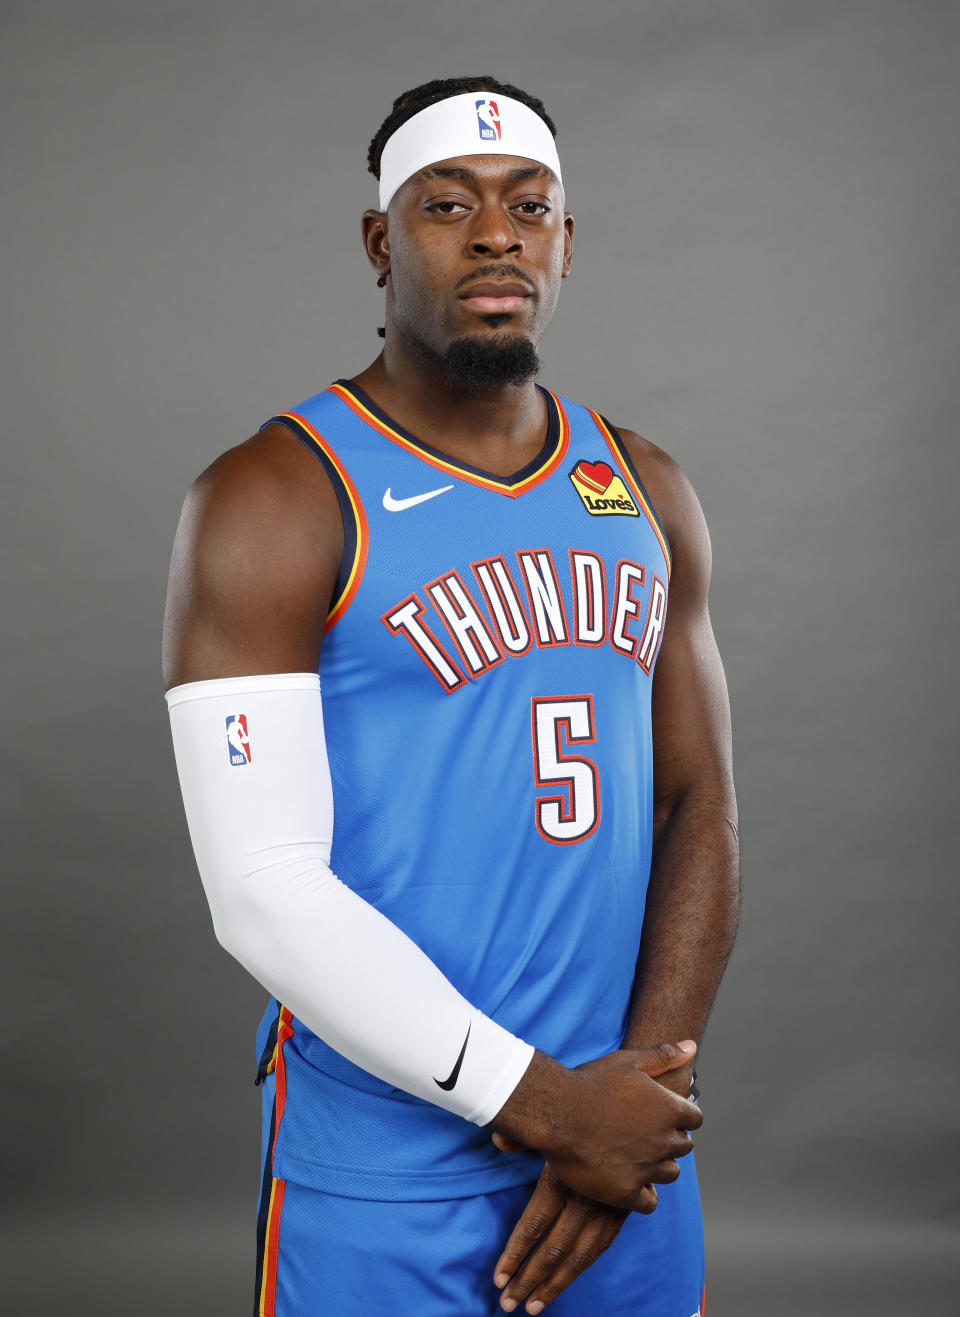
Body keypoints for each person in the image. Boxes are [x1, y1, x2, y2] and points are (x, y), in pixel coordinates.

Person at [162, 76, 739, 1317]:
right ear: (381, 242)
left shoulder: (642, 486)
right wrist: (551, 1110)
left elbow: (701, 806)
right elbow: (260, 888)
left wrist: (635, 1103)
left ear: (567, 244)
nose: (496, 234)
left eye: (530, 206)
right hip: (388, 1177)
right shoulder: (275, 495)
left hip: (626, 1155)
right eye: (447, 204)